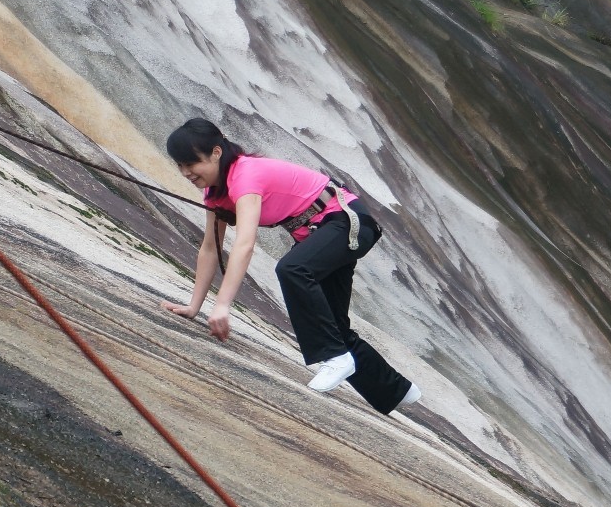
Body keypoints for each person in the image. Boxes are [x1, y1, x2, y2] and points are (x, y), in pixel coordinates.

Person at [161, 118, 421, 414]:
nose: (185, 173)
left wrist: (222, 306)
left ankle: (334, 357)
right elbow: (210, 248)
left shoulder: (244, 177)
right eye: (180, 165)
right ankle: (397, 390)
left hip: (347, 222)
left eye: (191, 164)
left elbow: (244, 245)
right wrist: (195, 306)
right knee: (334, 325)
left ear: (216, 153)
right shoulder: (216, 193)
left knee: (293, 269)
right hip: (320, 232)